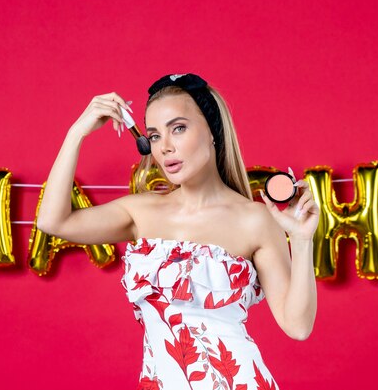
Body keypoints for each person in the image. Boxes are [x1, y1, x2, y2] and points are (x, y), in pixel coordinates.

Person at [37, 73, 318, 390]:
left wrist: (302, 238)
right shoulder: (140, 212)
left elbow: (298, 326)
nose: (165, 147)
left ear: (212, 131)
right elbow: (52, 221)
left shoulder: (253, 219)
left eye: (179, 128)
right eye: (154, 136)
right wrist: (77, 133)